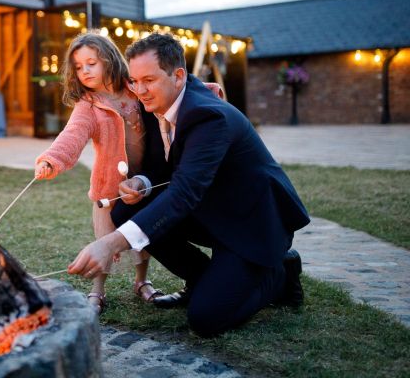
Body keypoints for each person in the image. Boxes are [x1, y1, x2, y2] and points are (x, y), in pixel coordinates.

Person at [67, 33, 310, 337]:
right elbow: (161, 168)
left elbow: (183, 193)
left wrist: (110, 243)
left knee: (205, 319)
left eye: (149, 80)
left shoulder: (208, 116)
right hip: (210, 211)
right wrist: (142, 182)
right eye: (134, 81)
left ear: (178, 76)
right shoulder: (156, 103)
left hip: (250, 224)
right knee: (125, 212)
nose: (139, 91)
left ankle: (279, 274)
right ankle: (203, 279)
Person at [34, 33, 163, 313]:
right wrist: (52, 159)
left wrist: (209, 90)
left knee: (142, 236)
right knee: (105, 239)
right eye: (79, 67)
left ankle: (142, 280)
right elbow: (72, 136)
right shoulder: (89, 107)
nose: (85, 71)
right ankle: (98, 289)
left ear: (109, 59)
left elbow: (171, 91)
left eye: (91, 63)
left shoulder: (134, 90)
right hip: (109, 189)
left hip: (143, 182)